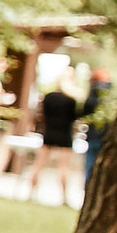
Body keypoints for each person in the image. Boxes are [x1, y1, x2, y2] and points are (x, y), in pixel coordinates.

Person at [28, 68, 93, 206]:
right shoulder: (71, 100)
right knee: (64, 167)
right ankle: (63, 197)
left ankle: (31, 192)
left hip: (49, 132)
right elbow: (77, 116)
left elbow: (43, 115)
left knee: (39, 164)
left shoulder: (49, 97)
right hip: (64, 133)